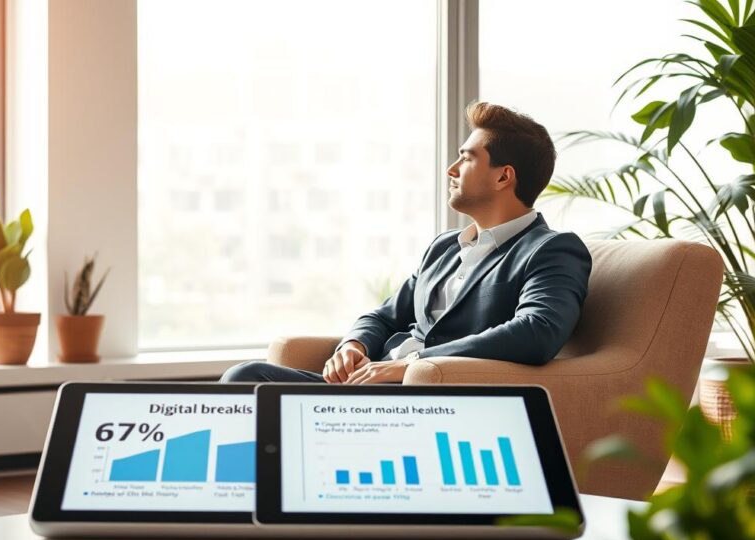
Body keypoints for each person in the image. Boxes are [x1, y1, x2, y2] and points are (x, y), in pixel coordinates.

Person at [221, 101, 592, 385]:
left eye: (466, 159)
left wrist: (413, 365)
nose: (452, 169)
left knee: (248, 383)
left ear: (503, 177)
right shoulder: (445, 247)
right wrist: (355, 346)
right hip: (372, 386)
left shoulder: (551, 250)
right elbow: (385, 316)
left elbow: (537, 330)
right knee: (248, 379)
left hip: (424, 396)